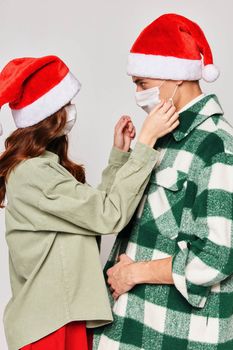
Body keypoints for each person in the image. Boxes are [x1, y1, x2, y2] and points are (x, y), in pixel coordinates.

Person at [0, 55, 179, 350]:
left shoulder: (43, 168)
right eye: (65, 104)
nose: (72, 111)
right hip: (50, 326)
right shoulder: (33, 173)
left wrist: (120, 156)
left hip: (63, 318)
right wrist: (145, 144)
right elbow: (108, 215)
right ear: (47, 114)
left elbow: (94, 211)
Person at [94, 13, 233, 350]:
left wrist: (135, 272)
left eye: (143, 84)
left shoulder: (217, 145)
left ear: (177, 77)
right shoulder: (162, 137)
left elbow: (217, 256)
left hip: (176, 336)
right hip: (132, 326)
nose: (138, 93)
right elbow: (114, 214)